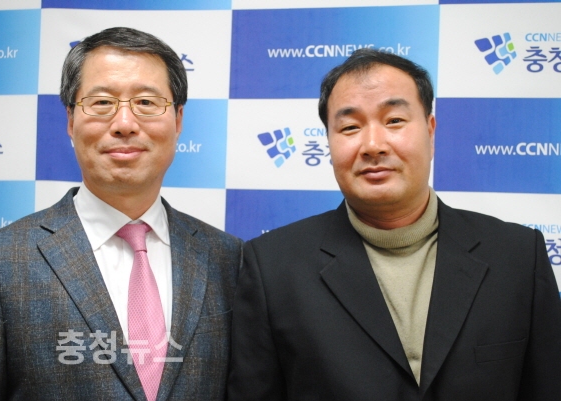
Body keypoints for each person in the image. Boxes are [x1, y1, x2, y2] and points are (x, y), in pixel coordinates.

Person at [227, 48, 561, 400]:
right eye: (350, 127)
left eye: (394, 121)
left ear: (430, 131)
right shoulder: (273, 267)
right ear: (328, 143)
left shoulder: (517, 255)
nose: (373, 145)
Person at [0, 27, 242, 401]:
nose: (124, 124)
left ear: (178, 121)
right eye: (102, 102)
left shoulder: (227, 258)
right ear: (70, 120)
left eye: (146, 102)